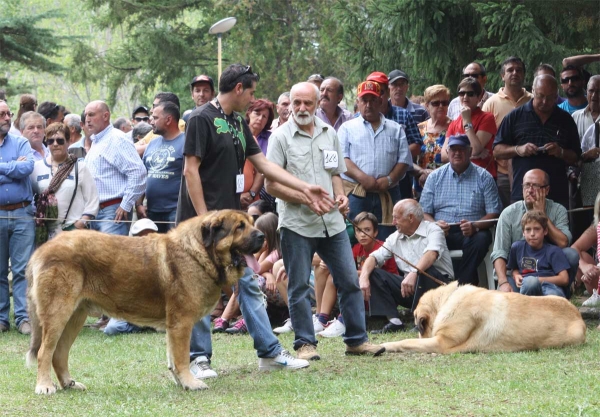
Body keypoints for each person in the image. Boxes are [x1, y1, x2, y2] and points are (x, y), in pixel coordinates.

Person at [177, 64, 336, 378]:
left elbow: (261, 162)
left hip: (232, 228)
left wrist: (302, 186)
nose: (252, 99)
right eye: (250, 91)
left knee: (248, 283)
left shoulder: (237, 121)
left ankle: (269, 352)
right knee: (198, 290)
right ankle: (198, 359)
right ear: (238, 89)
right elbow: (190, 170)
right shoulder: (199, 119)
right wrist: (204, 219)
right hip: (201, 227)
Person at [266, 81, 385, 360]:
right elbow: (271, 185)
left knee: (349, 281)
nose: (302, 108)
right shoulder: (280, 137)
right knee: (297, 286)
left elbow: (335, 173)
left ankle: (356, 340)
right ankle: (305, 344)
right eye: (296, 103)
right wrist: (305, 198)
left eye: (308, 102)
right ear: (290, 104)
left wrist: (342, 196)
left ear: (319, 102)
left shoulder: (329, 133)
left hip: (332, 222)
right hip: (297, 223)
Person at [359, 199, 453, 333]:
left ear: (410, 218)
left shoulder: (433, 229)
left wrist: (414, 273)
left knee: (425, 270)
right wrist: (363, 277)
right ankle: (394, 321)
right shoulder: (395, 237)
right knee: (374, 272)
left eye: (396, 218)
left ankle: (421, 322)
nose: (393, 222)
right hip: (411, 289)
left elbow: (431, 254)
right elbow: (374, 257)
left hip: (438, 288)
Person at [420, 134, 502, 286]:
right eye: (453, 149)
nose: (457, 153)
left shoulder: (484, 177)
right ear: (447, 152)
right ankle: (435, 287)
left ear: (470, 152)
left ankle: (460, 285)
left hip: (471, 232)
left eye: (462, 149)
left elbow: (494, 212)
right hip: (442, 231)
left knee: (482, 239)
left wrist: (475, 225)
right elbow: (424, 212)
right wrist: (435, 225)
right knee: (425, 238)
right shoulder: (434, 177)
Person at [493, 75, 581, 209]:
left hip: (556, 194)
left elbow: (576, 156)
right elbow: (496, 151)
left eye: (550, 97)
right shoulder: (515, 116)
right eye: (540, 96)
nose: (545, 101)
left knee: (557, 229)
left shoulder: (565, 119)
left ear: (557, 95)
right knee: (523, 229)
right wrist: (518, 150)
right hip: (523, 193)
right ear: (533, 91)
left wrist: (560, 152)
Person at [313, 211, 399, 338]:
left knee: (352, 278)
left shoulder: (381, 247)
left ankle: (343, 321)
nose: (362, 234)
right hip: (364, 290)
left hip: (382, 293)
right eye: (358, 231)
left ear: (375, 232)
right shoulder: (356, 249)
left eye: (367, 230)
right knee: (331, 276)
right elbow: (345, 268)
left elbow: (376, 275)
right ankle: (322, 319)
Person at [491, 169, 579, 294]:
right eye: (527, 185)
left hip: (549, 275)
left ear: (546, 190)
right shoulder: (508, 214)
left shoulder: (558, 210)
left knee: (571, 254)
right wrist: (503, 282)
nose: (530, 190)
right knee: (511, 304)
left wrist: (542, 214)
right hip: (519, 276)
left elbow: (564, 242)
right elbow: (499, 252)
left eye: (535, 186)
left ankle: (563, 292)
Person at [338, 81, 412, 223]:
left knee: (387, 238)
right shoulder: (347, 128)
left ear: (380, 101)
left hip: (388, 192)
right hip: (356, 193)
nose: (368, 105)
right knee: (357, 236)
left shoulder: (395, 128)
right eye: (364, 100)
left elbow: (404, 160)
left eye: (373, 100)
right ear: (358, 102)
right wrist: (362, 178)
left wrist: (389, 179)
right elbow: (342, 158)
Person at [84, 100, 146, 236]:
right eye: (86, 115)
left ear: (105, 116)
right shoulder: (97, 141)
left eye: (91, 114)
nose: (87, 119)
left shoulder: (117, 139)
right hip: (95, 211)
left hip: (113, 212)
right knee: (98, 257)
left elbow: (138, 173)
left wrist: (126, 204)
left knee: (110, 257)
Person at [0, 101, 35, 334]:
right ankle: (2, 318)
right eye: (1, 114)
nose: (6, 117)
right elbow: (17, 170)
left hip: (22, 213)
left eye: (8, 113)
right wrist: (11, 167)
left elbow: (27, 168)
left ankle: (23, 318)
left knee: (23, 269)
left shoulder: (21, 142)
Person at [30, 123, 98, 241]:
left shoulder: (79, 167)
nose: (55, 144)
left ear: (68, 141)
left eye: (60, 141)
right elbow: (30, 198)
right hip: (46, 232)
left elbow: (92, 200)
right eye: (51, 141)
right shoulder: (37, 167)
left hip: (73, 233)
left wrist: (80, 224)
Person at [482, 57, 533, 208]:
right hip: (502, 173)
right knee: (507, 217)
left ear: (524, 74)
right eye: (510, 70)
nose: (514, 73)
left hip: (530, 169)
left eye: (519, 70)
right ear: (502, 76)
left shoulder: (533, 100)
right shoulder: (491, 104)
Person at [103, 218, 159, 336]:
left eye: (149, 235)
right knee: (111, 329)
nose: (146, 239)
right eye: (141, 236)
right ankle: (145, 326)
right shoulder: (123, 260)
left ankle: (150, 325)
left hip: (156, 311)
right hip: (130, 311)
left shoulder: (162, 258)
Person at [137, 102, 184, 233]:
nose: (151, 121)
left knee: (175, 252)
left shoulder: (186, 142)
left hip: (176, 211)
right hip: (151, 211)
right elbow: (143, 175)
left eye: (156, 118)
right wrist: (139, 204)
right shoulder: (152, 143)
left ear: (168, 119)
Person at [442, 77, 498, 179]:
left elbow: (475, 149)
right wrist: (473, 155)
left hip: (482, 176)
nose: (465, 97)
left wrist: (467, 121)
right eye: (461, 93)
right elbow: (444, 156)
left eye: (470, 94)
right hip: (459, 176)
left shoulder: (487, 118)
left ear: (479, 97)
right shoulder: (454, 123)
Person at [507, 211, 570, 297]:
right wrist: (516, 275)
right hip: (527, 287)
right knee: (530, 283)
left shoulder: (553, 251)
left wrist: (538, 280)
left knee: (553, 296)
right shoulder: (517, 247)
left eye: (537, 229)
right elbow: (514, 268)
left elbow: (564, 279)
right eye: (528, 229)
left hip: (550, 287)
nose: (532, 234)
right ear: (523, 232)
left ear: (545, 231)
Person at [413, 84, 452, 193]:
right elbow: (407, 158)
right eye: (435, 103)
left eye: (444, 103)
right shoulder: (419, 128)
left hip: (447, 184)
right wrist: (422, 172)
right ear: (426, 105)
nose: (441, 106)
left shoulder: (455, 127)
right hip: (422, 183)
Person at [241, 99, 274, 209]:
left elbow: (263, 169)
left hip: (261, 194)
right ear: (249, 113)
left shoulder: (272, 139)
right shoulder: (238, 132)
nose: (260, 118)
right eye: (257, 113)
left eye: (264, 116)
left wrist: (252, 194)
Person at [572, 75, 600, 141]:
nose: (594, 95)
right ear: (586, 92)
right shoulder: (575, 117)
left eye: (599, 91)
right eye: (591, 91)